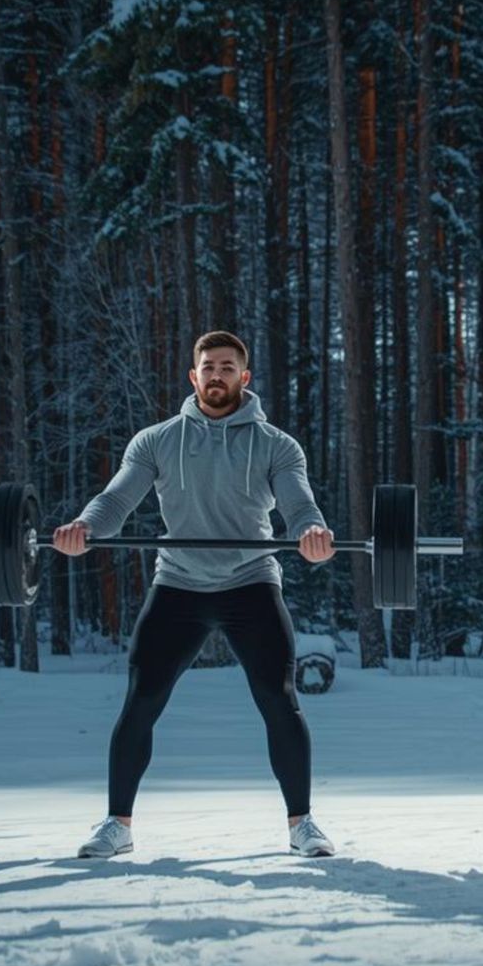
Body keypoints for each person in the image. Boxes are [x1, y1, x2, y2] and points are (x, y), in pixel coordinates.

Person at [55, 330, 338, 860]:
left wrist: (314, 536)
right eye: (208, 366)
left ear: (244, 377)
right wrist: (84, 528)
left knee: (279, 699)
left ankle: (303, 824)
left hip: (251, 582)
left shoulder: (277, 445)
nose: (216, 375)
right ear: (193, 376)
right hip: (179, 585)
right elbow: (115, 501)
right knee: (141, 700)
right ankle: (118, 824)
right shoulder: (156, 440)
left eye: (227, 367)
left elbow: (300, 508)